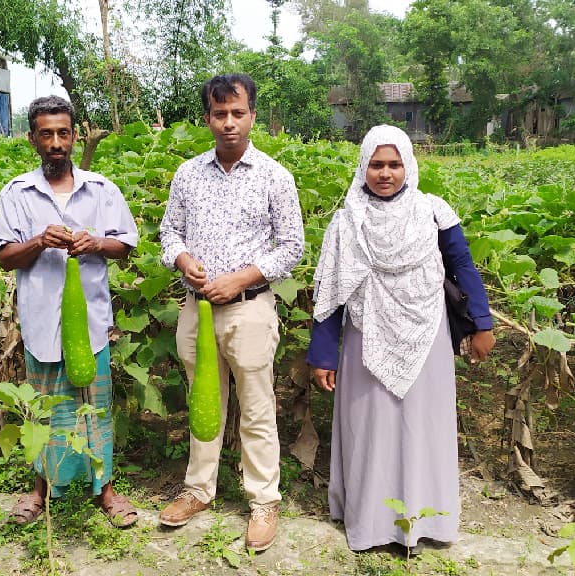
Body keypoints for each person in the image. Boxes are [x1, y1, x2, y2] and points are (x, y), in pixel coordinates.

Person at [307, 124, 495, 552]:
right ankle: (372, 523)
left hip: (426, 333)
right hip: (365, 336)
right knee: (369, 427)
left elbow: (463, 267)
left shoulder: (433, 211)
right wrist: (323, 354)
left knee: (422, 426)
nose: (385, 173)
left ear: (408, 166)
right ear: (363, 168)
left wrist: (482, 325)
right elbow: (330, 290)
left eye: (394, 164)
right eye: (376, 164)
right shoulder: (346, 221)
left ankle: (426, 520)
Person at [158, 73, 304, 551]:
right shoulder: (188, 174)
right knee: (206, 403)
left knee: (257, 408)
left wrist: (241, 277)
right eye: (219, 114)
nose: (228, 123)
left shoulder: (274, 176)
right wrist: (182, 259)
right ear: (207, 118)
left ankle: (263, 500)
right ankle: (199, 490)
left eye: (237, 113)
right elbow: (169, 233)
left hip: (250, 309)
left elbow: (293, 248)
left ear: (252, 116)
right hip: (195, 311)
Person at [0, 95, 140, 528]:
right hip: (41, 322)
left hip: (90, 323)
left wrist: (96, 242)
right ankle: (41, 489)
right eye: (46, 134)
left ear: (74, 137)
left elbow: (126, 247)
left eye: (63, 133)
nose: (56, 142)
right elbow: (5, 257)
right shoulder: (17, 193)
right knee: (46, 407)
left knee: (95, 405)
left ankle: (106, 490)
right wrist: (39, 241)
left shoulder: (102, 190)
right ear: (33, 139)